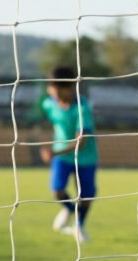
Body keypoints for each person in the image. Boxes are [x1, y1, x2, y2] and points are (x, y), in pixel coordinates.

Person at [40, 65, 97, 243]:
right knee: (57, 190)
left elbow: (82, 141)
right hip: (63, 157)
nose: (53, 93)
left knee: (86, 197)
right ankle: (70, 210)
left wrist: (54, 151)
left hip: (85, 157)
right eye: (51, 89)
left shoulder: (82, 107)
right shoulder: (48, 103)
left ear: (69, 88)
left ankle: (79, 225)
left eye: (57, 90)